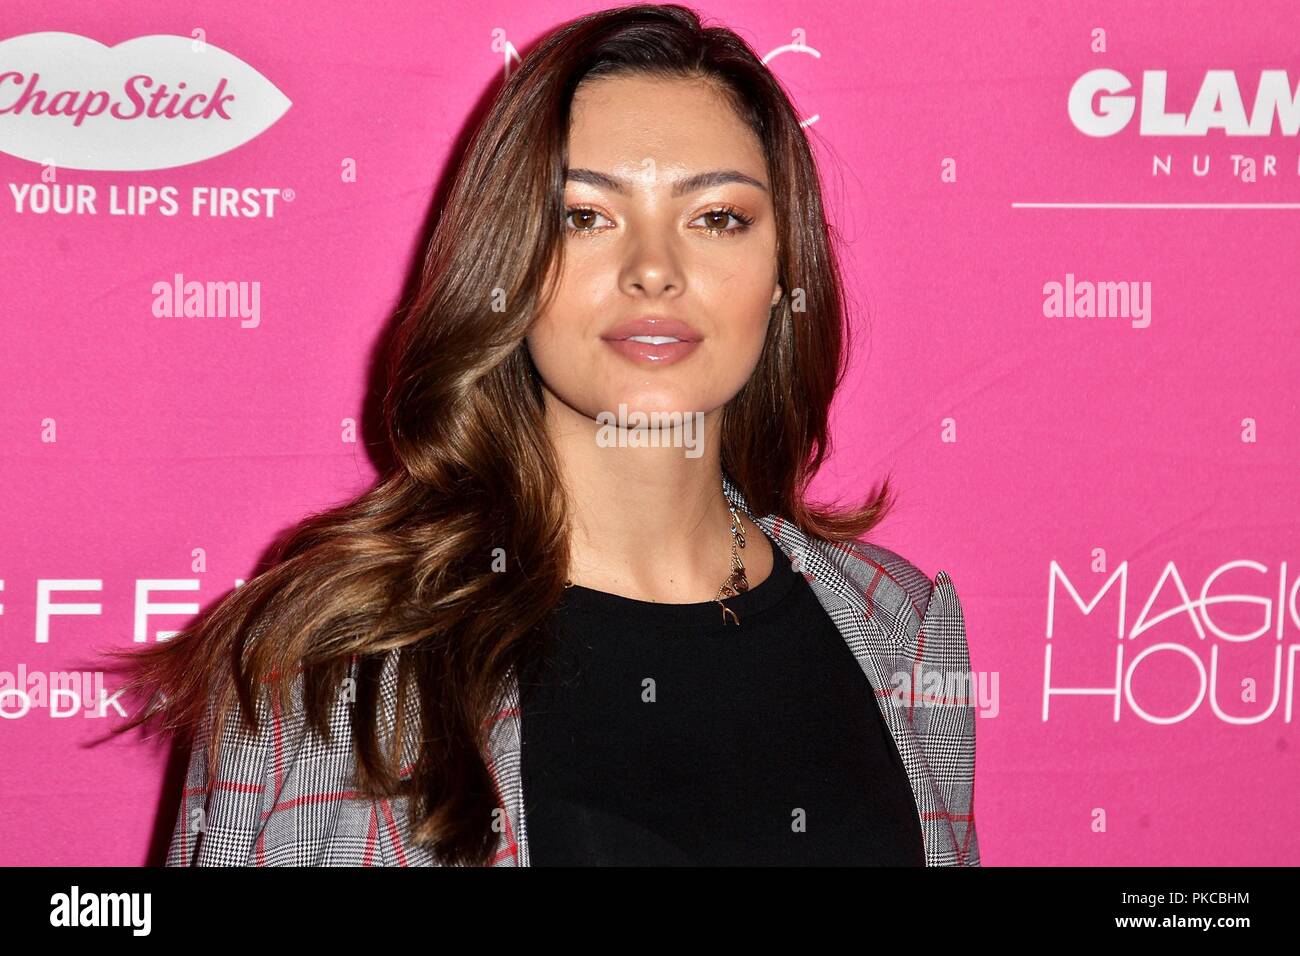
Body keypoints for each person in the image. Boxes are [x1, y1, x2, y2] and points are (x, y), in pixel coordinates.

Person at [111, 2, 980, 867]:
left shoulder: (899, 626)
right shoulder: (337, 657)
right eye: (585, 216)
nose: (653, 271)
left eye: (716, 217)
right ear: (510, 260)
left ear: (784, 269)